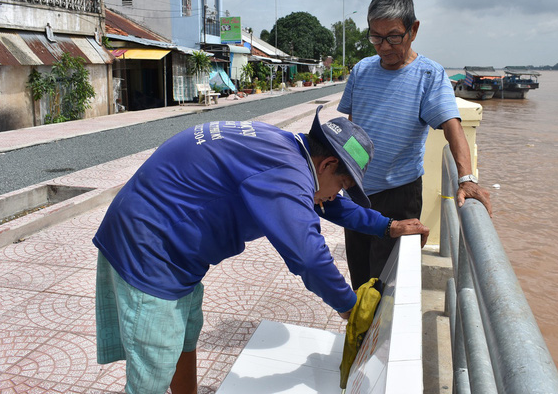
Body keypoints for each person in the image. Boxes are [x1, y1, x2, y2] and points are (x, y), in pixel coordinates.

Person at [93, 105, 429, 394]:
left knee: (184, 336)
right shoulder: (287, 171)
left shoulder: (287, 148)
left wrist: (387, 226)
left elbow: (326, 205)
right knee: (153, 369)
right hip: (147, 246)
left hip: (174, 247)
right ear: (327, 164)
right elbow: (308, 256)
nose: (334, 196)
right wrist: (350, 308)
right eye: (341, 185)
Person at [337, 0, 492, 290]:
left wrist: (467, 178)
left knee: (386, 283)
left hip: (399, 195)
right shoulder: (361, 70)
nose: (383, 46)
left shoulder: (429, 75)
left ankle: (376, 336)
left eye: (393, 36)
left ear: (414, 30)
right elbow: (352, 127)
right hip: (356, 193)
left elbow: (452, 126)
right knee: (359, 276)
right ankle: (360, 335)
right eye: (375, 37)